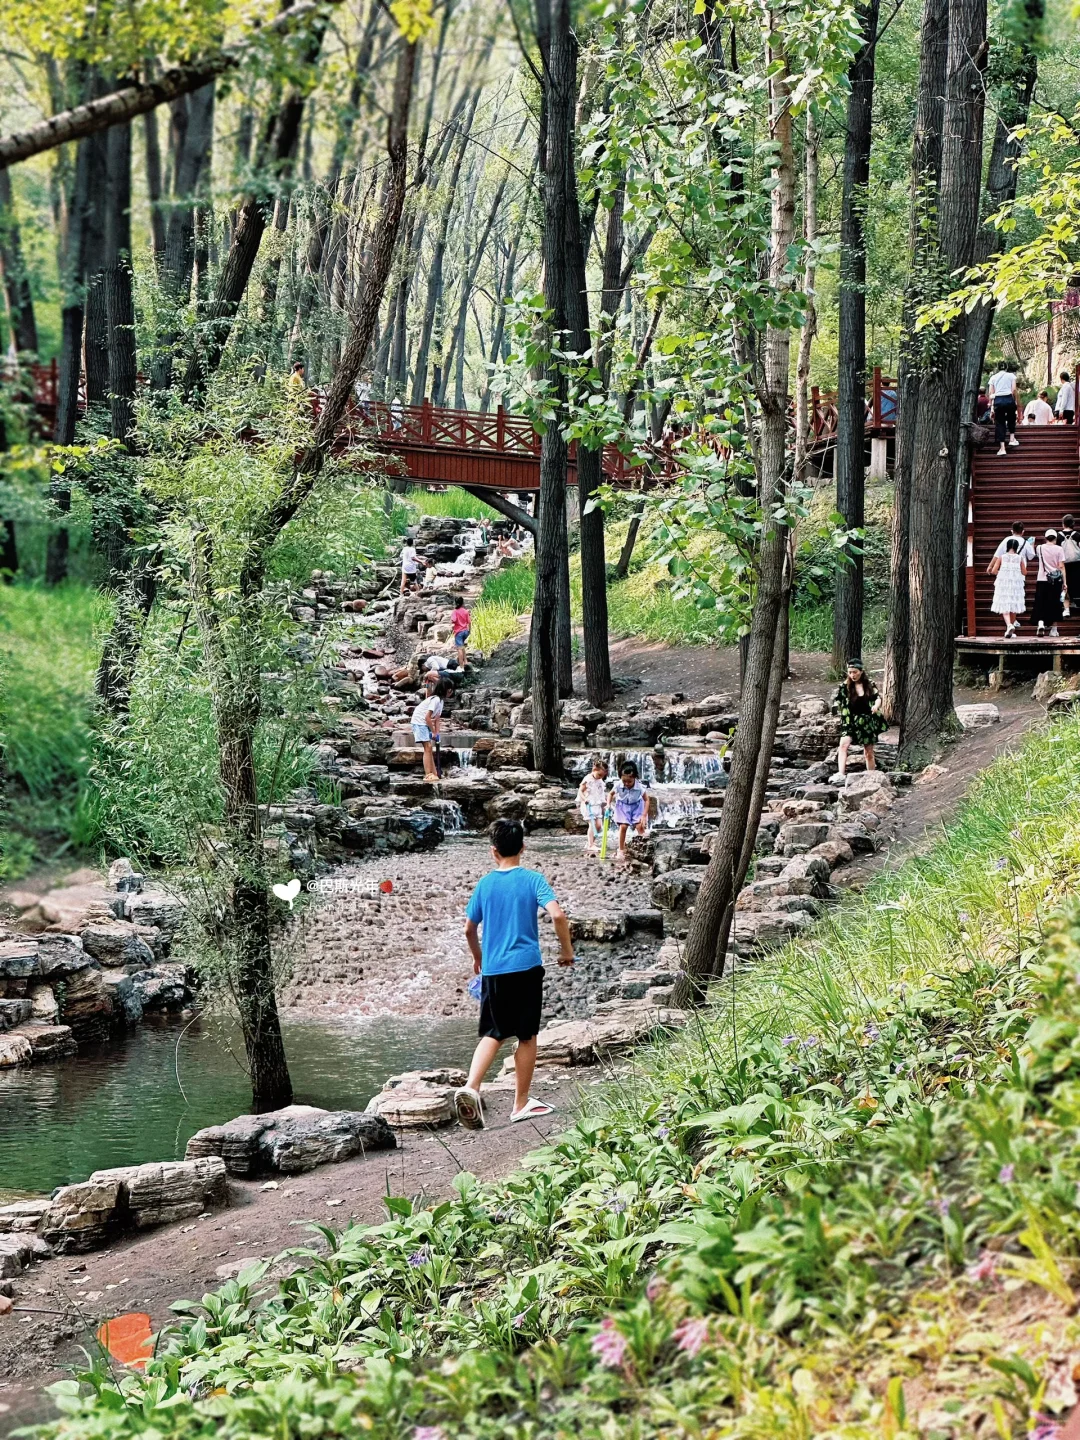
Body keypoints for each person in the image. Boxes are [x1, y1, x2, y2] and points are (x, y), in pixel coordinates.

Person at [455, 819, 575, 1128]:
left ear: (493, 851)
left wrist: (478, 959)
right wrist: (566, 951)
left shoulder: (485, 884)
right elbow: (558, 915)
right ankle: (520, 1103)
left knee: (494, 1031)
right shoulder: (533, 880)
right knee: (526, 1034)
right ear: (523, 847)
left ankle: (471, 1087)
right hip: (526, 969)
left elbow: (469, 929)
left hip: (494, 971)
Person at [832, 660, 886, 782]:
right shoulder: (844, 686)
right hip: (850, 721)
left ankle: (871, 776)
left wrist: (876, 706)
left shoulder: (870, 685)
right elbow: (838, 700)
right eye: (850, 672)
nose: (852, 675)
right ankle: (841, 774)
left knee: (868, 752)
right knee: (843, 745)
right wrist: (836, 706)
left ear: (861, 671)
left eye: (855, 672)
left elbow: (877, 698)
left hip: (866, 721)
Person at [988, 537, 1028, 639]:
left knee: (1004, 603)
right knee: (1013, 604)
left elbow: (993, 570)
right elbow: (1024, 572)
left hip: (1003, 582)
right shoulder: (1019, 558)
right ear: (1016, 547)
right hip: (1016, 583)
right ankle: (1011, 626)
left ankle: (1009, 625)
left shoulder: (1002, 557)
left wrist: (1002, 573)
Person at [411, 679, 451, 781]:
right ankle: (428, 774)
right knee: (427, 747)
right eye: (450, 689)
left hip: (424, 723)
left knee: (430, 748)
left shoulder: (441, 702)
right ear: (445, 690)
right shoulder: (435, 700)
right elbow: (427, 718)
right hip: (419, 721)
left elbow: (437, 719)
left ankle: (434, 773)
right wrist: (433, 732)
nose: (451, 692)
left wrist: (437, 733)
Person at [609, 760, 648, 862]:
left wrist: (644, 815)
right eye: (624, 781)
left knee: (639, 826)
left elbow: (647, 800)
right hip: (623, 806)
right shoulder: (618, 785)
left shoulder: (639, 787)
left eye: (629, 782)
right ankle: (621, 849)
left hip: (637, 806)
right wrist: (608, 804)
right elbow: (610, 794)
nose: (626, 784)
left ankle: (643, 846)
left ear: (634, 777)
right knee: (623, 826)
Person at [1033, 529, 1066, 637]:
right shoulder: (1059, 549)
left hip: (1042, 579)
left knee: (1041, 602)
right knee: (1055, 603)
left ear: (1046, 538)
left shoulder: (1039, 548)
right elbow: (1061, 566)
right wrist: (1065, 582)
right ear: (1055, 538)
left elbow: (1034, 553)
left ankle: (1041, 623)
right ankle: (1054, 629)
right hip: (1055, 580)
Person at [577, 757, 609, 856]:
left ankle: (590, 843)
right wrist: (584, 799)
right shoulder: (588, 779)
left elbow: (600, 793)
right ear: (594, 769)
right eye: (599, 775)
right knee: (592, 824)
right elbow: (580, 791)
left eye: (602, 776)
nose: (600, 777)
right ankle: (591, 844)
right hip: (588, 805)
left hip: (597, 805)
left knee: (599, 826)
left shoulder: (600, 781)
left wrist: (605, 804)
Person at [986, 362, 1020, 455]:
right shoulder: (1011, 376)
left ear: (997, 368)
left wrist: (992, 406)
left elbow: (990, 393)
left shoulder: (993, 378)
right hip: (1009, 399)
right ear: (1006, 367)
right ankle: (1012, 439)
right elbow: (1013, 390)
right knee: (1011, 419)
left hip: (998, 400)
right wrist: (1014, 400)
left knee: (1000, 423)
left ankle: (1002, 448)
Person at [1061, 514, 1080, 618]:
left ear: (1063, 524)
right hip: (1077, 563)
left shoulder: (1058, 536)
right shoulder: (1077, 535)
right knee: (1076, 584)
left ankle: (1066, 609)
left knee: (1065, 585)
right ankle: (1076, 601)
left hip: (1064, 563)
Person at [451, 595, 471, 663]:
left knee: (459, 649)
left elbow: (453, 620)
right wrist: (469, 630)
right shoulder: (465, 611)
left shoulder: (455, 611)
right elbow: (469, 622)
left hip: (459, 632)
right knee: (462, 646)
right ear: (463, 603)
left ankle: (461, 666)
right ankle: (465, 661)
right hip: (465, 631)